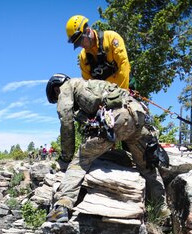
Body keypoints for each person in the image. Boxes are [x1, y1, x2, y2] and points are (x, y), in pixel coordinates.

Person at [45, 74, 167, 223]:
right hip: (138, 118)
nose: (58, 98)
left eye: (56, 96)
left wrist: (66, 155)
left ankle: (62, 206)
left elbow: (66, 119)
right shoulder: (95, 85)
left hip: (114, 120)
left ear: (56, 88)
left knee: (80, 161)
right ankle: (161, 213)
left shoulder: (67, 86)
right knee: (148, 168)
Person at [66, 15, 130, 89]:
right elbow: (88, 86)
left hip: (124, 88)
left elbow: (123, 64)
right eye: (78, 44)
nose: (81, 45)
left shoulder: (111, 38)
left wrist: (122, 94)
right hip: (104, 97)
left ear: (88, 31)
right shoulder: (83, 58)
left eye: (81, 41)